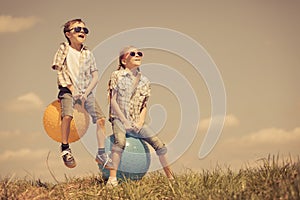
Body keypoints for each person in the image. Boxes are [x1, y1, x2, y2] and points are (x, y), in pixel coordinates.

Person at [106, 46, 174, 186]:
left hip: (137, 122)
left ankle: (170, 178)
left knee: (159, 146)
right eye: (132, 54)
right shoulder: (117, 75)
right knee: (120, 142)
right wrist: (124, 120)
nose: (137, 55)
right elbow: (112, 100)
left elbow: (144, 105)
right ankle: (112, 179)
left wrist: (140, 122)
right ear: (124, 61)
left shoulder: (145, 81)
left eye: (139, 53)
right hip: (119, 119)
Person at [51, 18, 113, 169]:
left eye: (84, 30)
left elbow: (95, 77)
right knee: (67, 115)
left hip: (86, 92)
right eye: (77, 29)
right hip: (68, 90)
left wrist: (85, 93)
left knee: (101, 119)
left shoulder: (88, 54)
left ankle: (101, 153)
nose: (82, 32)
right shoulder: (64, 49)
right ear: (68, 34)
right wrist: (71, 89)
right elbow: (59, 68)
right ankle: (65, 148)